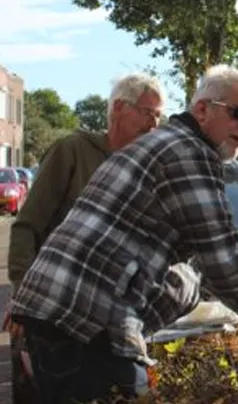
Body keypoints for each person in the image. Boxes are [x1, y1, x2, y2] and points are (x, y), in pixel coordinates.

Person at [8, 65, 238, 404]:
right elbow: (221, 257)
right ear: (202, 109)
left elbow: (197, 266)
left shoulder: (161, 145)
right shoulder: (188, 153)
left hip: (66, 318)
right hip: (82, 323)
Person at [3, 73, 170, 402]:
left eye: (159, 116)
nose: (155, 124)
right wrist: (24, 298)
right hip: (56, 317)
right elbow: (28, 227)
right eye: (148, 113)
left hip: (116, 325)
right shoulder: (73, 152)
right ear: (119, 108)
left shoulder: (150, 169)